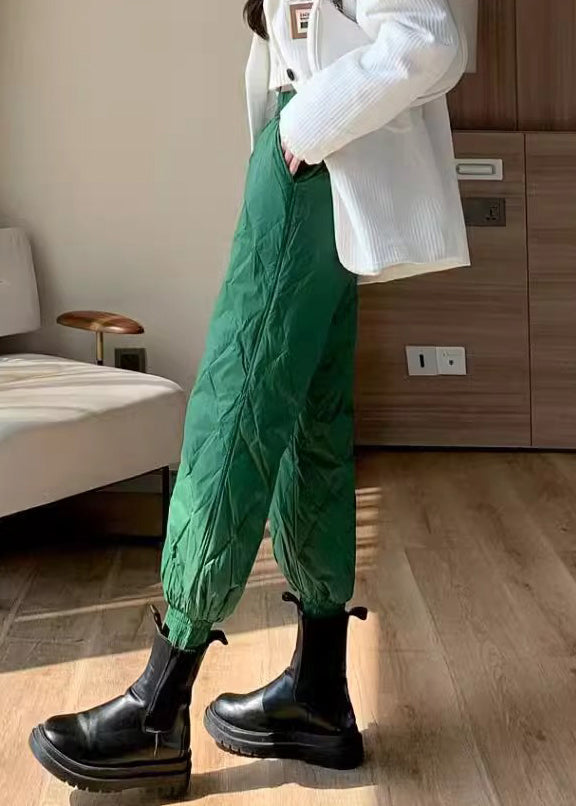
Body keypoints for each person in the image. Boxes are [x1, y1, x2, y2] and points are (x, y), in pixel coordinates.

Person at [29, 0, 469, 796]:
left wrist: (303, 130)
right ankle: (318, 694)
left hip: (316, 155)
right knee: (312, 419)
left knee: (234, 409)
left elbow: (428, 38)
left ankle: (156, 708)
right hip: (324, 160)